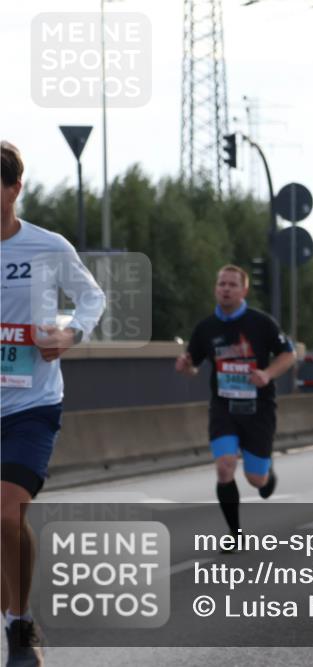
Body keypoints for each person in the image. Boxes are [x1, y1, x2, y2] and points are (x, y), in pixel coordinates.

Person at [1, 141, 106, 667]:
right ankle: (10, 616)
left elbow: (92, 297)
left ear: (14, 189)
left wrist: (68, 335)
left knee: (7, 510)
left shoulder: (47, 248)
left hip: (31, 401)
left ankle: (20, 626)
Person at [177, 265, 297, 546]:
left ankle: (266, 475)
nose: (226, 289)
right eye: (221, 284)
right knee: (224, 467)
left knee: (257, 481)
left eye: (232, 285)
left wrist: (267, 374)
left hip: (259, 409)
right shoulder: (206, 328)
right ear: (215, 288)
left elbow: (288, 355)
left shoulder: (261, 323)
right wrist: (185, 367)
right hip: (224, 408)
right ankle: (235, 535)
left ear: (243, 290)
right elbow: (193, 365)